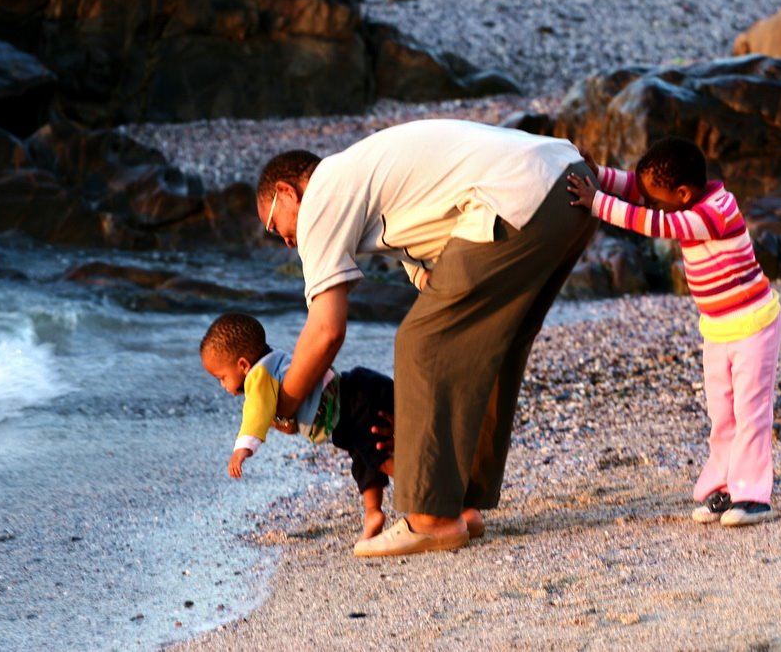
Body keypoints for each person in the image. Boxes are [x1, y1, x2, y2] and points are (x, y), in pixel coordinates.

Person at [255, 119, 598, 556]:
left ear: (288, 192)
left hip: (521, 195)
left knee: (420, 343)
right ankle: (461, 501)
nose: (283, 240)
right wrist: (421, 429)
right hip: (569, 183)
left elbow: (327, 329)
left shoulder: (323, 193)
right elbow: (446, 293)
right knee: (491, 341)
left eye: (273, 223)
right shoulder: (380, 192)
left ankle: (433, 518)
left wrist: (283, 404)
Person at [566, 135, 781, 526]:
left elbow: (657, 222)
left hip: (754, 326)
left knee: (751, 410)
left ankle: (752, 495)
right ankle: (722, 488)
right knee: (722, 412)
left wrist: (598, 202)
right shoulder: (685, 199)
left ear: (683, 193)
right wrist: (599, 176)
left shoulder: (718, 210)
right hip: (716, 328)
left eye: (657, 199)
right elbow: (637, 187)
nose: (648, 203)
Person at [199, 312, 395, 542]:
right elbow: (289, 420)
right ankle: (373, 514)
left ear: (243, 365)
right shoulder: (275, 360)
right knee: (365, 459)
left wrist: (242, 449)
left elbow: (255, 413)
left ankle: (427, 490)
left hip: (353, 406)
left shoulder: (258, 377)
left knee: (377, 457)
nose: (222, 385)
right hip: (359, 389)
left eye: (221, 377)